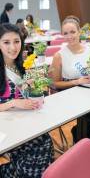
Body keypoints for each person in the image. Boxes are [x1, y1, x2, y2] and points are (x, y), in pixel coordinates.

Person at [0, 23, 54, 178]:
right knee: (41, 146)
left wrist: (36, 88)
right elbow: (14, 101)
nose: (13, 47)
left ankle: (15, 172)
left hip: (24, 122)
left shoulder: (21, 66)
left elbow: (25, 94)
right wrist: (13, 103)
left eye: (16, 41)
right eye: (6, 42)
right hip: (7, 128)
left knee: (46, 141)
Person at [50, 16, 90, 143]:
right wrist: (76, 82)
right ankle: (82, 134)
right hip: (70, 92)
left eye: (73, 32)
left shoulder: (89, 50)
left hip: (89, 89)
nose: (69, 36)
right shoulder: (59, 56)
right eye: (65, 33)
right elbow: (54, 83)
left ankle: (81, 131)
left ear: (79, 32)